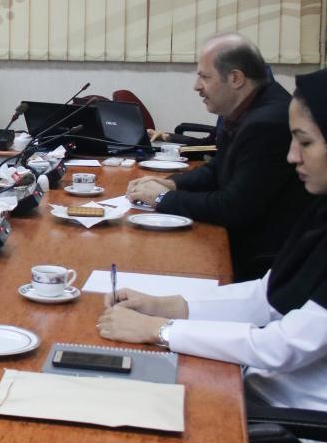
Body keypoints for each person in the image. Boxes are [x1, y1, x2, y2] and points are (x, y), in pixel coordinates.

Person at [98, 62, 327, 443]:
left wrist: (158, 331)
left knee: (122, 439)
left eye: (305, 142)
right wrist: (165, 306)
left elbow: (283, 347)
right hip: (261, 388)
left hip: (299, 425)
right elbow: (266, 297)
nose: (291, 156)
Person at [125, 33, 310, 280]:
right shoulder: (249, 108)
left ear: (235, 78)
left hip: (258, 261)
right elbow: (218, 168)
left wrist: (161, 198)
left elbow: (233, 207)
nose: (196, 86)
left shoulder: (266, 123)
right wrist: (170, 183)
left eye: (204, 76)